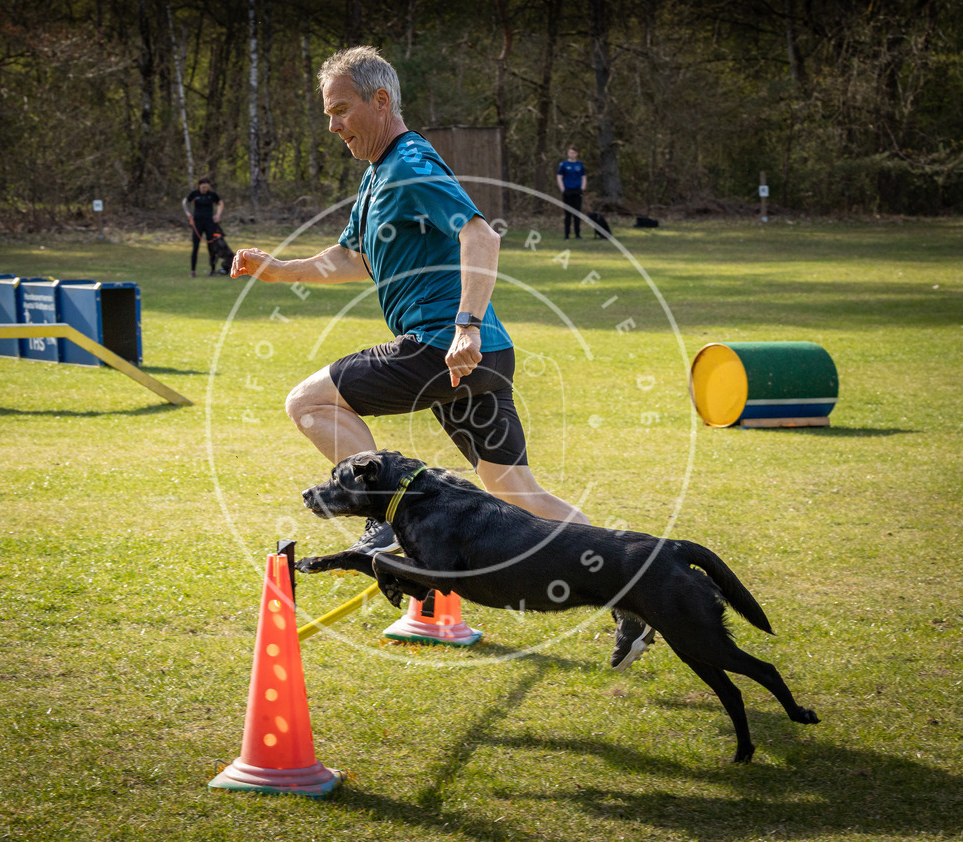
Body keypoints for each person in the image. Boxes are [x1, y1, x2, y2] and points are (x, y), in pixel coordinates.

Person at [230, 46, 653, 670]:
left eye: (341, 110)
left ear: (381, 101)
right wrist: (279, 268)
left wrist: (465, 326)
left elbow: (479, 234)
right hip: (481, 358)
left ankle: (381, 520)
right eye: (328, 115)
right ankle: (631, 591)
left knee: (308, 402)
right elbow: (348, 259)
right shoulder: (377, 175)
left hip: (443, 345)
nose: (333, 126)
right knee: (517, 490)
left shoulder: (410, 163)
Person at [184, 178, 224, 277]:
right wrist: (187, 213)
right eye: (203, 187)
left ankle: (213, 270)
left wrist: (218, 215)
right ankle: (193, 271)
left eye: (206, 187)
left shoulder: (212, 195)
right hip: (197, 223)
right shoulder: (195, 194)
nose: (205, 189)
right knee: (195, 247)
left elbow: (220, 203)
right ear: (199, 186)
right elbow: (185, 202)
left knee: (211, 247)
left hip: (209, 223)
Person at [556, 146, 587, 240]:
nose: (571, 154)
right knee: (568, 214)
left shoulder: (580, 164)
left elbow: (583, 177)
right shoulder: (563, 164)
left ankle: (578, 234)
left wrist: (583, 188)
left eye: (573, 153)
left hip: (577, 190)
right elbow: (559, 176)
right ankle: (567, 235)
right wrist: (562, 189)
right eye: (570, 153)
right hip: (567, 191)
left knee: (577, 213)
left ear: (576, 154)